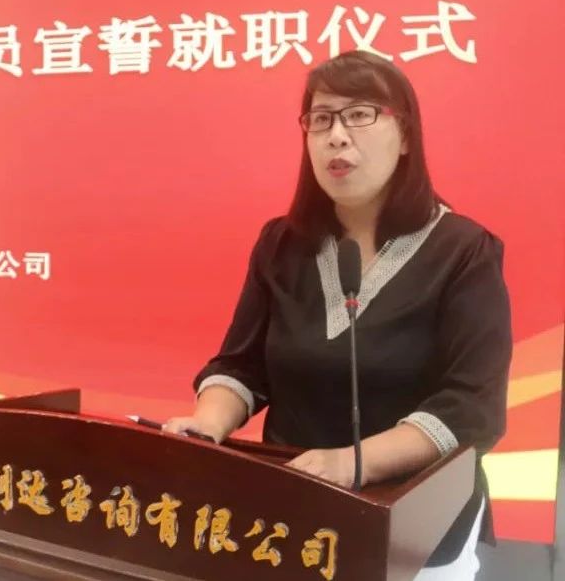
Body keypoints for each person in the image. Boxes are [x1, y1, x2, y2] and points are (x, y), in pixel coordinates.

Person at [164, 50, 511, 580]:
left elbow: (472, 409)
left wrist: (355, 461)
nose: (337, 136)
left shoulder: (464, 251)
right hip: (294, 511)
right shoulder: (281, 244)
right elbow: (241, 367)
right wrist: (207, 426)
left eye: (360, 115)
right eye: (321, 119)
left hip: (416, 527)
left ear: (406, 136)